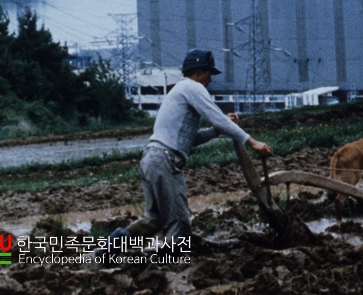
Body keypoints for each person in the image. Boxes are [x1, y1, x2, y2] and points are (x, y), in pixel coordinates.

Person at [112, 49, 272, 244]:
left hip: (151, 158)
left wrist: (216, 131)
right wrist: (251, 141)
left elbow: (190, 139)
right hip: (165, 159)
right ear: (198, 72)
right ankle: (170, 268)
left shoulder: (180, 91)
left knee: (154, 221)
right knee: (179, 224)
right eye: (208, 74)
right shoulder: (192, 87)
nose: (210, 79)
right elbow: (216, 116)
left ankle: (107, 251)